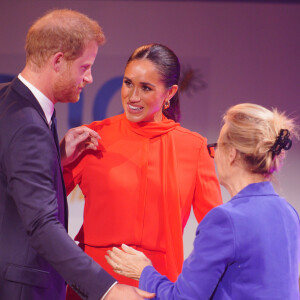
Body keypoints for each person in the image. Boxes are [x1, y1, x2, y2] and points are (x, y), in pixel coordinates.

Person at [0, 9, 154, 300]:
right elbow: (41, 224)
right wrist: (108, 290)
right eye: (85, 67)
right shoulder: (29, 125)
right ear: (58, 61)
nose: (91, 78)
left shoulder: (9, 99)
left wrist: (56, 156)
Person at [63, 43, 222, 299]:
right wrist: (60, 159)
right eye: (128, 83)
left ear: (169, 92)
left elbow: (216, 232)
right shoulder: (93, 137)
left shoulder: (194, 148)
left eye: (146, 88)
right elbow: (42, 201)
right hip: (94, 282)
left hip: (157, 284)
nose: (132, 96)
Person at [106, 103, 300, 299]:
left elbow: (183, 298)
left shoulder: (225, 220)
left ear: (232, 153)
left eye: (217, 147)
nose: (214, 157)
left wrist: (144, 271)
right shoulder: (289, 213)